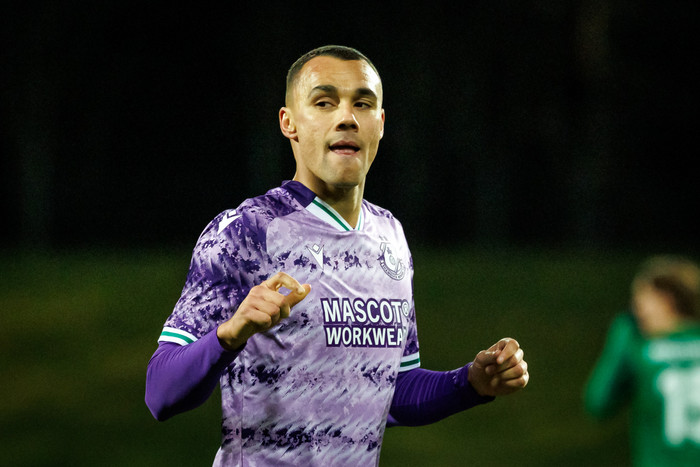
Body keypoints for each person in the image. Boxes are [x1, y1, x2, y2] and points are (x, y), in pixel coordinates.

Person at [145, 45, 529, 466]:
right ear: (289, 123)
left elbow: (388, 391)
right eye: (324, 102)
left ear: (380, 123)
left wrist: (471, 382)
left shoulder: (390, 238)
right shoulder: (247, 231)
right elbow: (160, 393)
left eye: (362, 104)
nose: (347, 117)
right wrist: (229, 334)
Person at [584, 255, 700, 466]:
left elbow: (597, 402)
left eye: (641, 300)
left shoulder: (642, 349)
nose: (635, 310)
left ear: (667, 299)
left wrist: (619, 338)